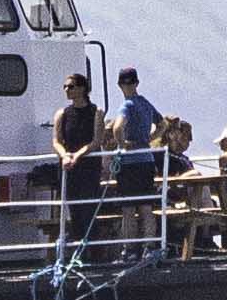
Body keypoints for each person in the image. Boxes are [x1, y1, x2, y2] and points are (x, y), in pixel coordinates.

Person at [50, 72, 110, 248]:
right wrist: (64, 155)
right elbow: (56, 141)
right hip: (69, 168)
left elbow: (96, 141)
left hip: (88, 168)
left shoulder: (96, 112)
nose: (67, 90)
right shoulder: (62, 114)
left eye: (71, 86)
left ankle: (92, 250)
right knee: (74, 209)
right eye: (65, 87)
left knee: (88, 208)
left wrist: (77, 155)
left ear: (82, 88)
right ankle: (78, 250)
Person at [111, 69, 165, 236]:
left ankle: (130, 249)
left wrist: (123, 144)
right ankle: (149, 245)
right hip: (146, 160)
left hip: (129, 163)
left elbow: (117, 127)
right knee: (146, 207)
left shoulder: (127, 105)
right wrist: (149, 138)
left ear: (120, 85)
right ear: (137, 83)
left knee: (128, 209)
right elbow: (162, 124)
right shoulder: (145, 103)